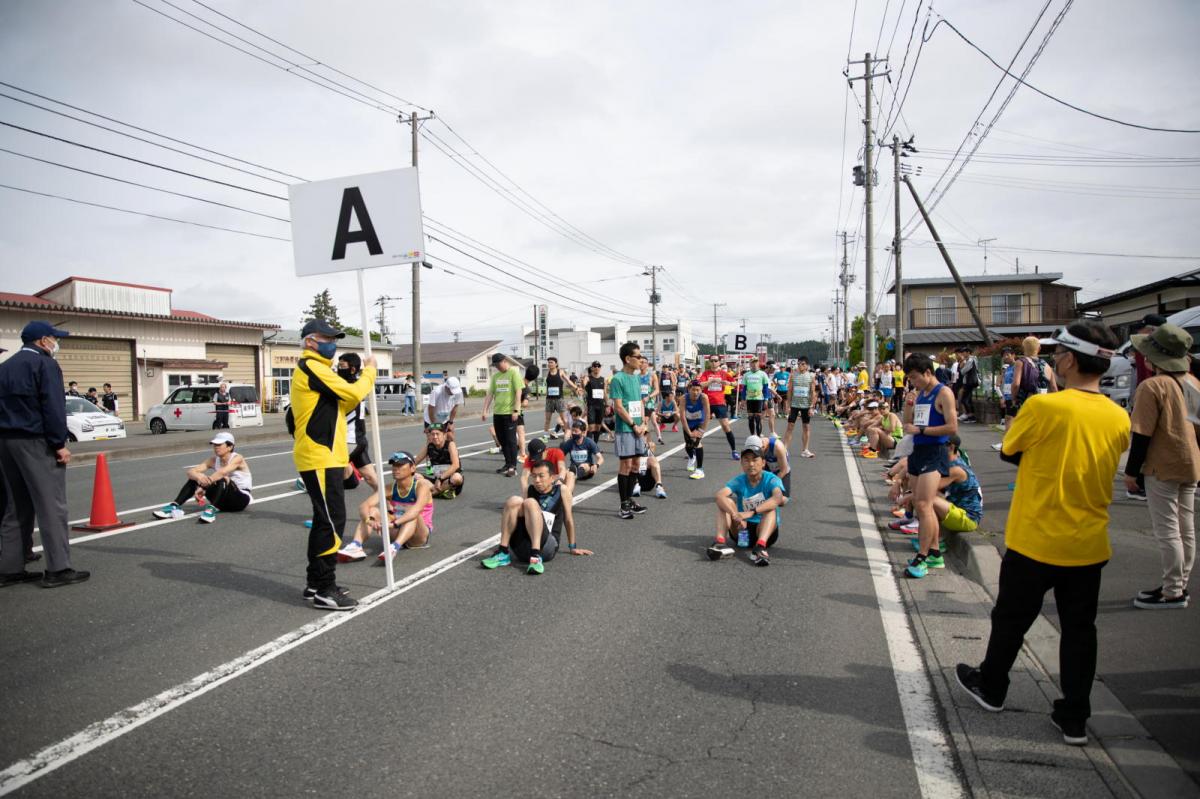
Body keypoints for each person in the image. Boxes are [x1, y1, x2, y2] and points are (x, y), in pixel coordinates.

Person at [954, 321, 1128, 747]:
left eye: (1058, 355)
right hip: (1089, 541)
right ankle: (1074, 717)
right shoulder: (1119, 415)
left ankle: (992, 686)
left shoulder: (1044, 407)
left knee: (1011, 620)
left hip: (1036, 537)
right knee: (1080, 630)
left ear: (1068, 361)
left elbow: (1010, 449)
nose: (1054, 361)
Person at [291, 318, 376, 610]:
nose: (332, 344)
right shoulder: (311, 366)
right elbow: (353, 393)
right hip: (319, 456)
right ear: (310, 342)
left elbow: (344, 402)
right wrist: (370, 372)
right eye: (326, 338)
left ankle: (316, 582)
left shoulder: (321, 371)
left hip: (328, 456)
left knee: (323, 520)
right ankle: (325, 589)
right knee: (332, 520)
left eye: (333, 339)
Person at [0, 321, 90, 588]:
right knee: (51, 505)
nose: (55, 343)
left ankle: (9, 568)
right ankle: (58, 568)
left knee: (14, 506)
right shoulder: (44, 364)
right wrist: (58, 443)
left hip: (5, 442)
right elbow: (52, 406)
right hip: (35, 440)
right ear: (42, 341)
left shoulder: (5, 367)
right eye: (53, 338)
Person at [1122, 323, 1199, 609]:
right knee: (1186, 528)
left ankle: (1172, 591)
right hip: (1191, 462)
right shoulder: (1192, 382)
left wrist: (1132, 472)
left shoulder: (1152, 386)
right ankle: (1179, 584)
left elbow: (1141, 434)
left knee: (1168, 530)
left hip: (1162, 465)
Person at [901, 352, 958, 579]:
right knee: (921, 503)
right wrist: (908, 403)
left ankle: (922, 557)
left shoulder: (944, 392)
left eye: (914, 377)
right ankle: (934, 552)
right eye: (910, 378)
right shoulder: (921, 393)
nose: (913, 382)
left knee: (924, 504)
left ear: (927, 372)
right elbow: (908, 424)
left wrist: (922, 430)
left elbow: (952, 427)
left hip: (935, 452)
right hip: (918, 450)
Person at [481, 460, 591, 574]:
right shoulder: (529, 490)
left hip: (546, 548)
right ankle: (502, 552)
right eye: (534, 476)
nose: (537, 480)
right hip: (523, 548)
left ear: (552, 478)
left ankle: (535, 557)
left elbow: (568, 519)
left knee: (530, 503)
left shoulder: (562, 490)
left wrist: (573, 547)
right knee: (514, 500)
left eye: (541, 476)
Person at [338, 451, 433, 564]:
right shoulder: (389, 488)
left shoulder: (421, 486)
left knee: (411, 512)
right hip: (397, 529)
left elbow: (416, 509)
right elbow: (364, 506)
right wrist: (369, 520)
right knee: (372, 510)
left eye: (400, 465)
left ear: (412, 468)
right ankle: (356, 545)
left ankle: (394, 548)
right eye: (394, 465)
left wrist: (393, 524)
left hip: (418, 535)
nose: (395, 468)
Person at [709, 442, 785, 566]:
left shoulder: (771, 479)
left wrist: (751, 512)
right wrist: (736, 515)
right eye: (746, 460)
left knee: (770, 509)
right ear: (742, 464)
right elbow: (720, 495)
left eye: (755, 460)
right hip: (741, 528)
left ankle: (760, 548)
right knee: (725, 503)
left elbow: (778, 498)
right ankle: (720, 543)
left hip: (764, 530)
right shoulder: (739, 480)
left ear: (763, 463)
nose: (751, 464)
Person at [153, 432, 252, 523]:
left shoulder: (238, 458)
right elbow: (191, 471)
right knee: (196, 478)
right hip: (222, 502)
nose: (216, 447)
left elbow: (222, 472)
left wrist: (204, 486)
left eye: (219, 445)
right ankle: (174, 506)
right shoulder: (213, 460)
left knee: (222, 478)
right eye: (214, 445)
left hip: (239, 500)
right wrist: (199, 478)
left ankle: (210, 511)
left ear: (230, 447)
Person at [611, 341, 651, 519]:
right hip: (626, 428)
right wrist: (634, 425)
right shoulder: (617, 379)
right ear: (628, 359)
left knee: (636, 465)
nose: (641, 360)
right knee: (626, 465)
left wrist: (642, 423)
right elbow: (619, 407)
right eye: (638, 356)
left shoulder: (636, 378)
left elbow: (639, 402)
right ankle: (623, 505)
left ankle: (629, 500)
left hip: (638, 428)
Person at [481, 353, 524, 477]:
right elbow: (490, 394)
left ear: (505, 361)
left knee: (510, 440)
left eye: (498, 364)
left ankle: (513, 467)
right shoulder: (496, 376)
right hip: (498, 413)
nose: (497, 367)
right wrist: (485, 410)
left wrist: (516, 410)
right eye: (495, 365)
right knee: (501, 440)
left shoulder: (514, 373)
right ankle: (507, 463)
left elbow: (518, 392)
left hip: (510, 413)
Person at [697, 355, 738, 459]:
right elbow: (700, 385)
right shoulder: (706, 373)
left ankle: (734, 451)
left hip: (720, 403)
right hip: (707, 403)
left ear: (719, 362)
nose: (713, 362)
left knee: (726, 426)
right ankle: (694, 449)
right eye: (711, 361)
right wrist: (710, 381)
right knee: (701, 427)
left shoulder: (723, 373)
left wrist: (729, 383)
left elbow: (735, 383)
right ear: (709, 362)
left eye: (716, 360)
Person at [414, 423, 463, 499]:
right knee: (414, 476)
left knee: (457, 477)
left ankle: (433, 493)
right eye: (432, 434)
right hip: (436, 481)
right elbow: (416, 461)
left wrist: (441, 478)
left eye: (437, 434)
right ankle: (441, 491)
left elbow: (456, 465)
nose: (435, 437)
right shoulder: (429, 446)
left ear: (444, 435)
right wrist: (403, 470)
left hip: (449, 481)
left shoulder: (450, 444)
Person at [784, 357, 816, 457]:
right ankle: (784, 449)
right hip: (794, 405)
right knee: (790, 426)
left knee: (806, 427)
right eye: (799, 364)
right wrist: (788, 405)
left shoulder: (811, 376)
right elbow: (790, 391)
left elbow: (813, 392)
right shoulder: (793, 375)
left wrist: (811, 407)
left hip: (806, 405)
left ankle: (805, 450)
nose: (800, 366)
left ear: (807, 365)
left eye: (802, 364)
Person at [559, 419, 603, 485]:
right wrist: (561, 467)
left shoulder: (589, 442)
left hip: (587, 469)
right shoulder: (569, 443)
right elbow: (560, 456)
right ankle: (565, 479)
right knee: (565, 472)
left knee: (583, 466)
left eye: (576, 431)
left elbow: (600, 458)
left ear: (583, 432)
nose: (573, 433)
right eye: (572, 431)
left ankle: (573, 476)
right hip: (573, 468)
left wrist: (596, 465)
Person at [543, 357, 577, 439]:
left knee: (563, 419)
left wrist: (576, 388)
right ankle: (545, 435)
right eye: (549, 362)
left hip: (559, 399)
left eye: (551, 362)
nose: (549, 364)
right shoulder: (547, 373)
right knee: (547, 419)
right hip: (549, 399)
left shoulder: (561, 372)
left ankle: (568, 433)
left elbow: (568, 381)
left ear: (556, 364)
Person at [682, 379, 710, 479]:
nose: (695, 392)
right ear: (689, 390)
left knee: (697, 443)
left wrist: (702, 431)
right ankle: (691, 457)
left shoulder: (704, 397)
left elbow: (707, 415)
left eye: (698, 390)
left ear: (701, 390)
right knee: (688, 446)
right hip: (688, 423)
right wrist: (689, 433)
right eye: (693, 390)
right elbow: (682, 417)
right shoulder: (684, 398)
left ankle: (700, 470)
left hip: (699, 423)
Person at [582, 361, 608, 444]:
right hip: (591, 405)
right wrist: (582, 382)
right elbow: (583, 386)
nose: (597, 367)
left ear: (600, 368)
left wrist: (607, 405)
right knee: (591, 426)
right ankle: (589, 445)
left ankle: (595, 445)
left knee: (598, 427)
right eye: (595, 366)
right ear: (592, 368)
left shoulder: (603, 379)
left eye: (598, 366)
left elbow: (605, 393)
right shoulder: (588, 378)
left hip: (601, 405)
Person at [743, 360, 769, 437]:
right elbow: (744, 388)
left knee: (758, 418)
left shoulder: (763, 374)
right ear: (750, 364)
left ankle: (758, 436)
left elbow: (765, 388)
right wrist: (743, 399)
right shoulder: (746, 375)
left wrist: (766, 399)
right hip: (749, 399)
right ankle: (752, 435)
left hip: (759, 399)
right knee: (750, 418)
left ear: (758, 364)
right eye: (752, 363)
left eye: (756, 363)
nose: (754, 364)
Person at [955, 348, 979, 423]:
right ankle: (970, 416)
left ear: (968, 352)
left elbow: (963, 371)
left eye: (964, 352)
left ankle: (971, 416)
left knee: (965, 399)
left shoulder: (971, 360)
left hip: (969, 382)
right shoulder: (971, 359)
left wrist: (962, 367)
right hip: (968, 382)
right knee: (967, 399)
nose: (963, 354)